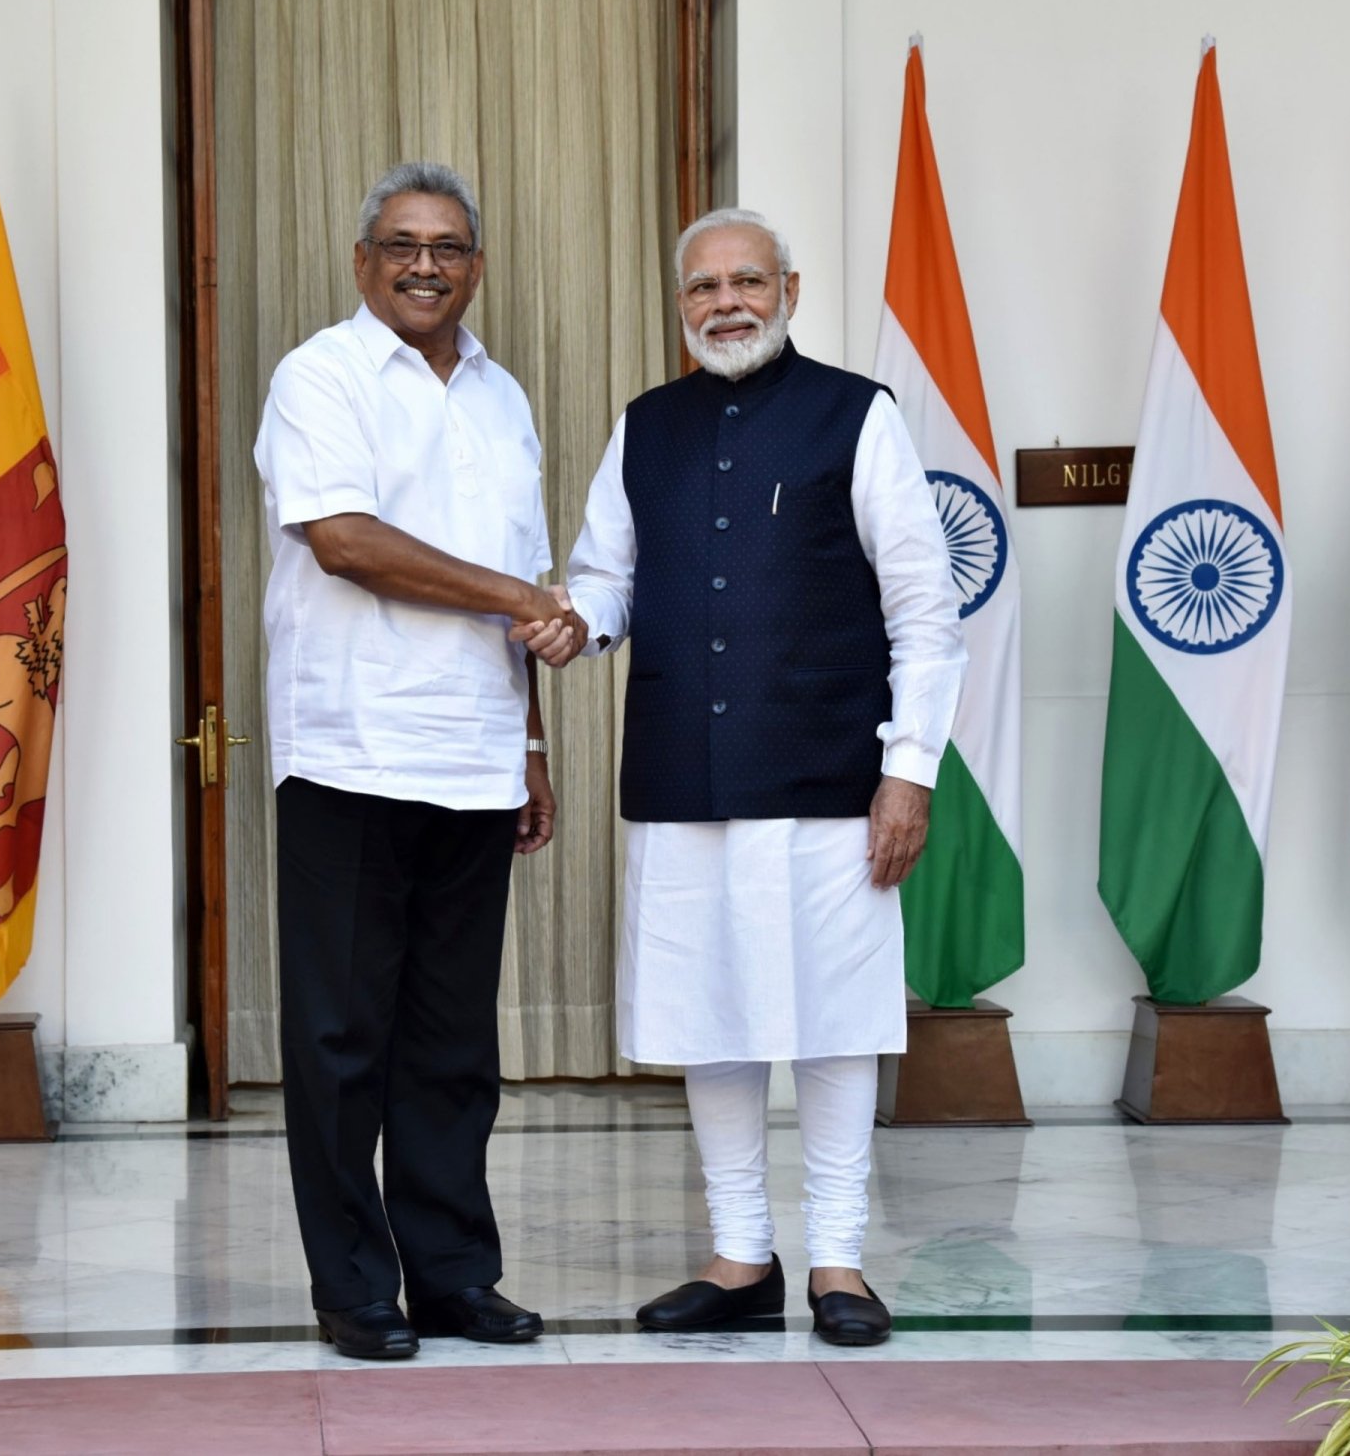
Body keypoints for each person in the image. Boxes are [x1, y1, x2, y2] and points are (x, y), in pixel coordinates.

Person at [520, 207, 965, 1347]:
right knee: (709, 1016)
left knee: (832, 1020)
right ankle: (738, 1255)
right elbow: (607, 574)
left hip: (828, 780)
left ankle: (838, 1259)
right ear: (680, 305)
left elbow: (925, 606)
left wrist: (907, 773)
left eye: (747, 280)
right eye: (702, 287)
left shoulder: (856, 416)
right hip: (682, 774)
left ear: (790, 288)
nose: (726, 301)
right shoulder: (644, 427)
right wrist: (578, 623)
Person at [253, 161, 569, 1360]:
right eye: (401, 244)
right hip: (352, 750)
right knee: (342, 1042)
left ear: (476, 266)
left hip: (477, 760)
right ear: (361, 261)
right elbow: (344, 541)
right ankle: (353, 1288)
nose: (425, 263)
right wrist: (520, 597)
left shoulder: (502, 395)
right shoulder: (320, 375)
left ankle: (452, 1276)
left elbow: (523, 591)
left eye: (446, 246)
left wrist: (531, 740)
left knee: (450, 1044)